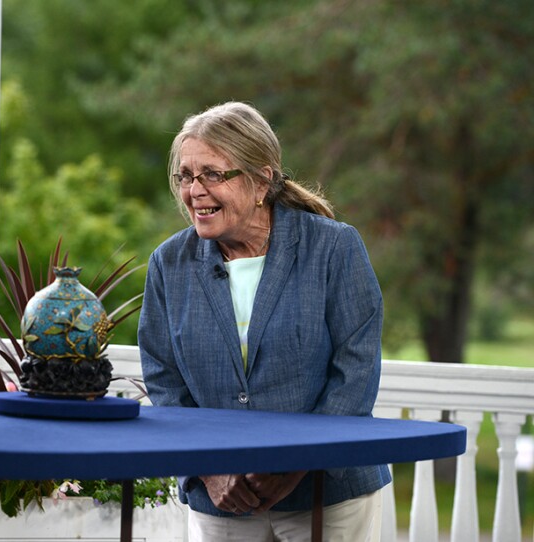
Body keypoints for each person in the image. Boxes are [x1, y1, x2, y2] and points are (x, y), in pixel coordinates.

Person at [138, 101, 390, 542]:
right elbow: (164, 380)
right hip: (221, 500)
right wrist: (210, 471)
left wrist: (291, 469)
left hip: (327, 495)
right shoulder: (168, 263)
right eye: (186, 175)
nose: (195, 190)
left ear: (261, 180)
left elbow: (356, 372)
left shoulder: (333, 248)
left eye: (213, 174)